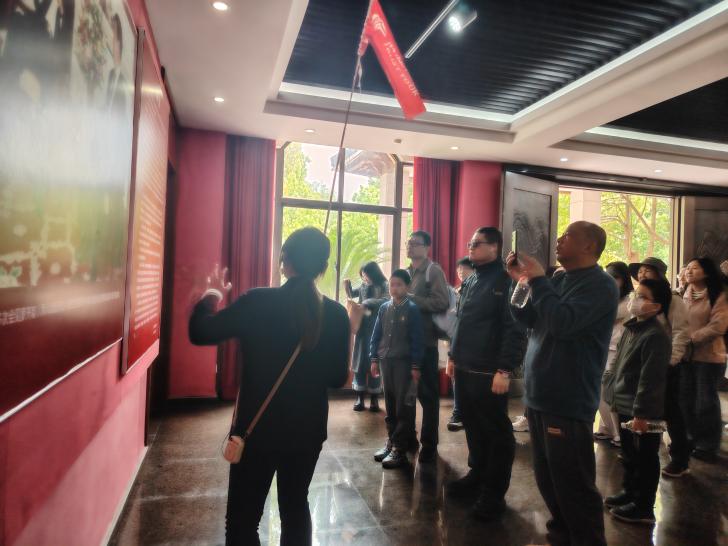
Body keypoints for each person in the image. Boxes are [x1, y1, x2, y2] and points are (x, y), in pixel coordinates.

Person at [188, 227, 350, 546]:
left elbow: (201, 331)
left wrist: (211, 295)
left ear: (284, 261)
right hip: (307, 430)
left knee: (243, 520)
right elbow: (336, 378)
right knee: (295, 506)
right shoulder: (336, 314)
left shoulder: (257, 301)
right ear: (321, 267)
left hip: (257, 429)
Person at [507, 221, 618, 546]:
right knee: (547, 479)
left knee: (573, 483)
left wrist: (539, 280)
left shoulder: (600, 285)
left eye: (567, 236)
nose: (558, 239)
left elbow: (562, 323)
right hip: (541, 393)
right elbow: (528, 318)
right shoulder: (558, 278)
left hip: (568, 397)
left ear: (589, 246)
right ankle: (561, 535)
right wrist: (521, 283)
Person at [445, 228, 526, 521]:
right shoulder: (471, 279)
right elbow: (461, 323)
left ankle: (494, 494)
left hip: (489, 371)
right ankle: (477, 475)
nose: (471, 247)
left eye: (476, 244)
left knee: (496, 433)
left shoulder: (506, 281)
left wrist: (504, 369)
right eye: (470, 243)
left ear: (494, 247)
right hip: (465, 367)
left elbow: (514, 328)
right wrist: (453, 356)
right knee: (473, 427)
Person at [603, 278, 672, 524]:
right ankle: (629, 492)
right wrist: (610, 386)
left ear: (657, 306)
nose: (635, 300)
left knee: (645, 457)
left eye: (643, 297)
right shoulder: (632, 328)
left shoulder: (655, 335)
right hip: (624, 401)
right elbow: (618, 364)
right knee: (629, 453)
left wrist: (642, 414)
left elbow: (650, 379)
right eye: (635, 294)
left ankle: (643, 507)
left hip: (642, 408)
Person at [626, 257, 691, 477]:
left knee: (671, 411)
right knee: (648, 410)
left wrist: (671, 360)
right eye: (640, 271)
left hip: (665, 362)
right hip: (644, 361)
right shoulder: (638, 298)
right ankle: (643, 452)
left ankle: (680, 458)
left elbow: (680, 332)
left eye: (647, 270)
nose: (642, 274)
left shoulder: (672, 299)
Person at [369, 269, 425, 469]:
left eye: (399, 284)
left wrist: (416, 365)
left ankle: (400, 448)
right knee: (390, 403)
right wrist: (374, 359)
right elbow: (376, 335)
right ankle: (391, 440)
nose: (395, 288)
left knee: (404, 405)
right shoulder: (384, 308)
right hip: (386, 361)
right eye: (392, 284)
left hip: (404, 364)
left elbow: (418, 339)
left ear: (407, 287)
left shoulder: (412, 309)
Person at [406, 230, 450, 462]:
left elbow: (442, 302)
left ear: (427, 247)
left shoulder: (433, 271)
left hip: (426, 344)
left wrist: (411, 299)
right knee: (406, 395)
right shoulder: (406, 272)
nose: (410, 246)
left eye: (415, 243)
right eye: (409, 242)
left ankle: (429, 445)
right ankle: (407, 439)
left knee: (428, 396)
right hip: (406, 344)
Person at [680, 257, 728, 463]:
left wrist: (691, 339)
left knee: (705, 402)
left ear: (706, 272)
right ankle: (691, 438)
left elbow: (718, 326)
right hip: (685, 355)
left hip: (709, 357)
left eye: (695, 268)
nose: (689, 271)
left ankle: (708, 445)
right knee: (686, 400)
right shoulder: (684, 293)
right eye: (688, 268)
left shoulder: (718, 295)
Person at [594, 261, 633, 447]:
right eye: (608, 276)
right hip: (603, 346)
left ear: (624, 279)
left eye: (615, 277)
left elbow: (604, 316)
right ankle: (606, 428)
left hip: (617, 349)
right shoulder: (606, 296)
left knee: (607, 390)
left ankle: (617, 432)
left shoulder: (629, 299)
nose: (611, 280)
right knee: (601, 390)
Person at [345, 262, 388, 412]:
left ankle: (374, 399)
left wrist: (368, 303)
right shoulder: (363, 285)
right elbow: (352, 294)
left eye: (366, 275)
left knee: (375, 363)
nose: (364, 278)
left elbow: (386, 300)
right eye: (362, 275)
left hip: (377, 327)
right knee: (360, 363)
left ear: (373, 273)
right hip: (362, 329)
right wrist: (348, 287)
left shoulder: (384, 285)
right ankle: (360, 397)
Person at [447, 256, 474, 432]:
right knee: (456, 377)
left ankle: (466, 413)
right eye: (458, 269)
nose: (460, 271)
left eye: (464, 268)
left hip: (473, 341)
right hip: (456, 339)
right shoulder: (457, 290)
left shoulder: (476, 289)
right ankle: (458, 413)